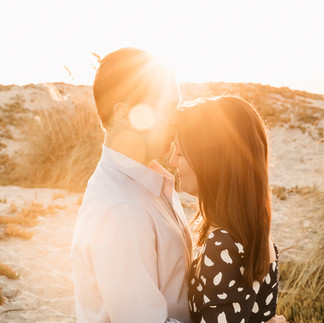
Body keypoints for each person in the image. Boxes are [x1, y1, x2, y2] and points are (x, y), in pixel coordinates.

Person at [71, 47, 193, 323]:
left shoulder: (150, 182)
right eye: (166, 107)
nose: (176, 118)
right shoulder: (121, 211)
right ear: (125, 114)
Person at [169, 96, 281, 322]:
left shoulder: (224, 246)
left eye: (180, 153)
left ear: (212, 161)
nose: (172, 161)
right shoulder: (250, 232)